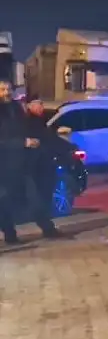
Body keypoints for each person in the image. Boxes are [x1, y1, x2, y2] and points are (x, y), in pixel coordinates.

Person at [0, 81, 41, 244]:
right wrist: (23, 142)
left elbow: (25, 128)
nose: (6, 92)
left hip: (19, 164)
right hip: (3, 165)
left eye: (9, 89)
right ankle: (10, 233)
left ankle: (46, 227)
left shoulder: (17, 108)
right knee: (4, 200)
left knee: (29, 196)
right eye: (2, 89)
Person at [23, 100, 67, 239]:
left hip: (44, 164)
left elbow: (51, 139)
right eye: (38, 104)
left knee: (44, 196)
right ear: (30, 107)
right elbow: (47, 140)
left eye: (42, 104)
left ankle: (47, 227)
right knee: (39, 198)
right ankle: (47, 227)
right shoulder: (29, 122)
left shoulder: (40, 121)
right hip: (36, 166)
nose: (41, 107)